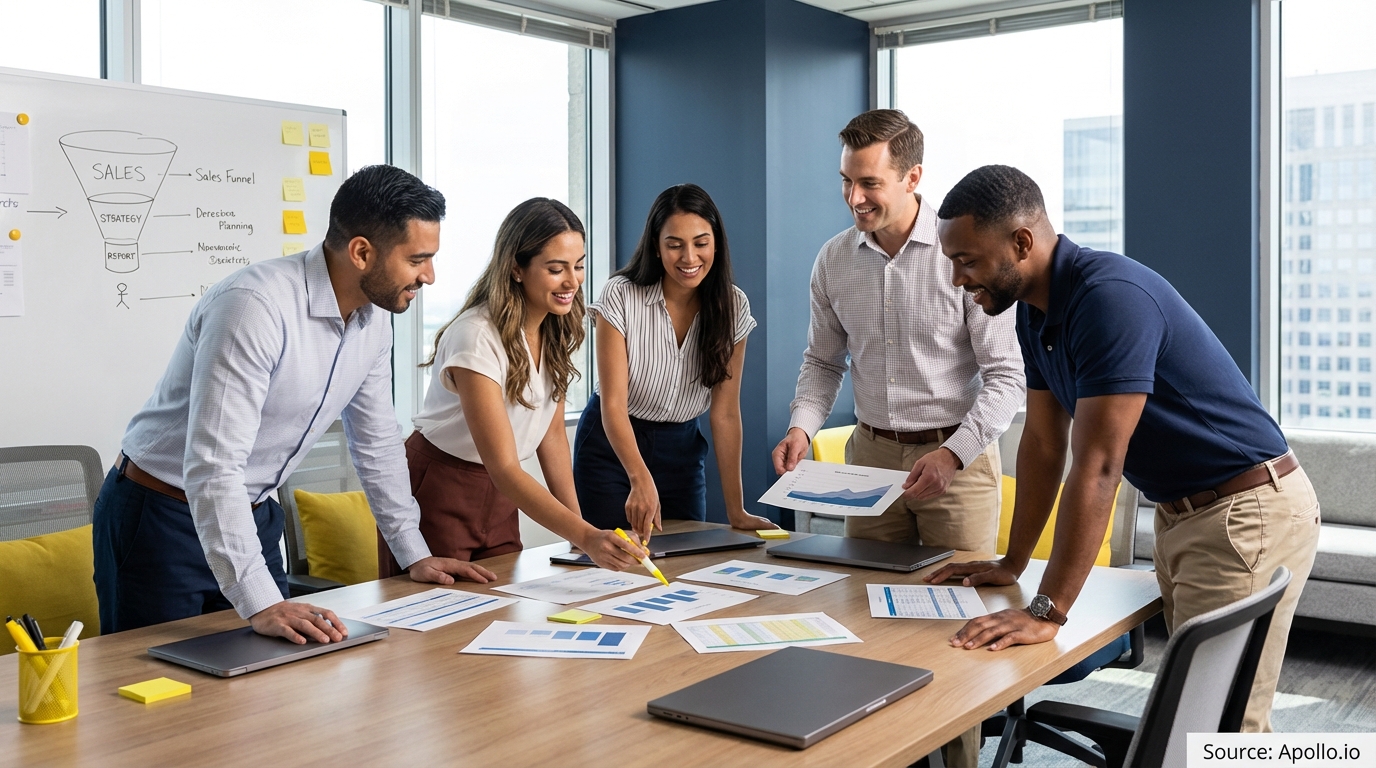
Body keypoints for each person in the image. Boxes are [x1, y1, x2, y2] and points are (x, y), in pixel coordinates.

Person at [925, 164, 1320, 733]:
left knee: (1218, 727)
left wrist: (1048, 610)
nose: (958, 278)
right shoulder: (1034, 317)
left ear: (1021, 242)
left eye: (967, 260)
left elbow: (1100, 466)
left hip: (1245, 512)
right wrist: (1013, 563)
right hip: (1187, 513)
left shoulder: (1108, 299)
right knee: (1201, 717)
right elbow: (1040, 445)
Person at [92, 165, 495, 644]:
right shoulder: (253, 306)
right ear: (362, 252)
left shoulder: (374, 322)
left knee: (268, 683)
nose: (429, 275)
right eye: (417, 259)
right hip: (161, 517)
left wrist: (414, 554)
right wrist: (261, 601)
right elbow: (214, 466)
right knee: (160, 696)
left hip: (253, 516)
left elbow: (377, 444)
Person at [772, 109, 1023, 768]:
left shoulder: (961, 254)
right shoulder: (833, 260)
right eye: (847, 182)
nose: (855, 197)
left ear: (913, 176)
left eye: (870, 184)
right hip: (870, 463)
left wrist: (953, 453)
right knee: (867, 626)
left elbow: (1005, 379)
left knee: (954, 631)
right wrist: (802, 427)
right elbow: (822, 363)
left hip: (957, 463)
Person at [382, 197, 647, 575]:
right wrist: (588, 536)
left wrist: (579, 533)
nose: (572, 281)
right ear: (516, 269)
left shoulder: (554, 329)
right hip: (440, 488)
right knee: (435, 624)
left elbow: (551, 435)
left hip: (502, 496)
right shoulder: (475, 336)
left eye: (579, 266)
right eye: (556, 269)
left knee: (502, 611)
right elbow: (504, 466)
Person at [573, 184, 777, 541]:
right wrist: (639, 476)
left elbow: (725, 413)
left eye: (700, 243)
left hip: (681, 451)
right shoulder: (620, 295)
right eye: (674, 244)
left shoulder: (733, 306)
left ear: (716, 243)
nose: (689, 257)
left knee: (685, 564)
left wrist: (736, 510)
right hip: (612, 446)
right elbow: (614, 405)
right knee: (617, 562)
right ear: (656, 245)